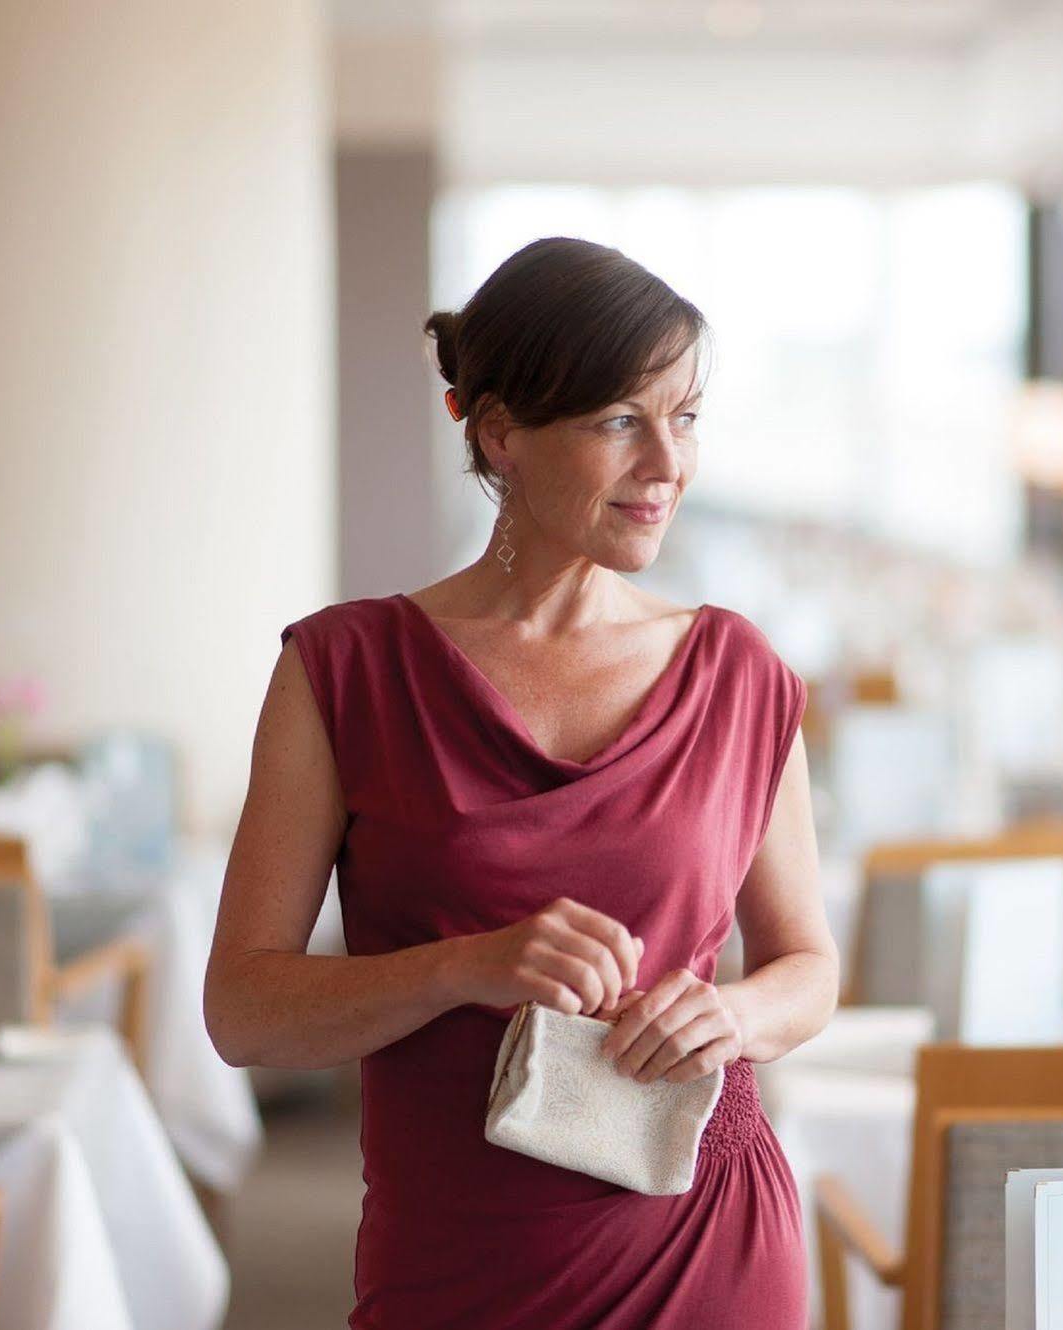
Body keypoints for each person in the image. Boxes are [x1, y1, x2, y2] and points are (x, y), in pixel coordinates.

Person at [204, 236, 837, 1329]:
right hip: (459, 1259)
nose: (667, 464)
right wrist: (463, 966)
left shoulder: (740, 673)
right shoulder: (342, 671)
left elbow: (808, 967)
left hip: (708, 1241)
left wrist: (726, 1015)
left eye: (684, 418)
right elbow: (242, 1011)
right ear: (499, 432)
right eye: (618, 421)